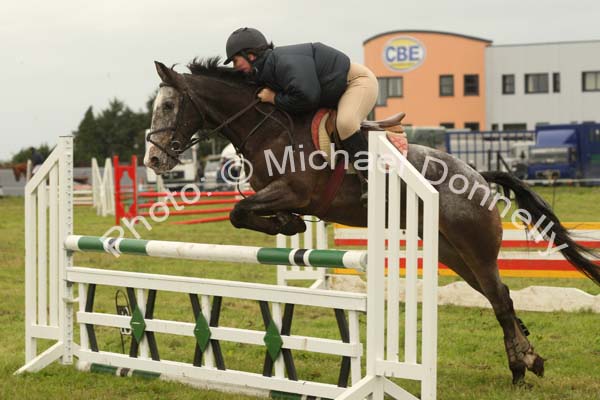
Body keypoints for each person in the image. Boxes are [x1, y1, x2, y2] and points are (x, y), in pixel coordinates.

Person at [224, 27, 378, 202]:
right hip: (334, 91)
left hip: (357, 82)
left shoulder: (284, 62)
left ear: (250, 55)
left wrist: (274, 98)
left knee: (346, 123)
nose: (235, 67)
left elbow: (307, 97)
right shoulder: (263, 71)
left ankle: (372, 180)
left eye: (236, 61)